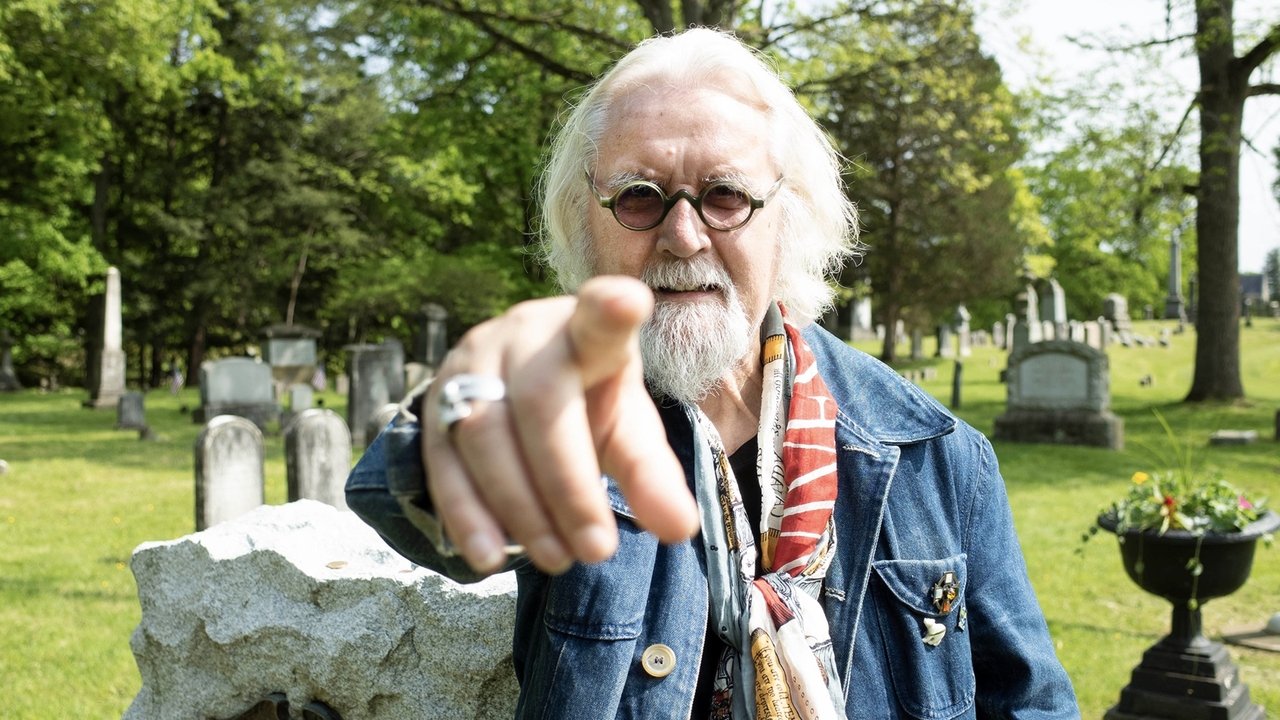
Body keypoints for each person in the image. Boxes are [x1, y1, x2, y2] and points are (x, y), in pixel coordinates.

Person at [346, 28, 1078, 719]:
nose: (683, 234)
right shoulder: (570, 415)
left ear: (787, 217)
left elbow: (1029, 702)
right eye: (639, 196)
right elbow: (412, 499)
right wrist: (472, 407)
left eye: (725, 196)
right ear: (584, 221)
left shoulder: (935, 454)